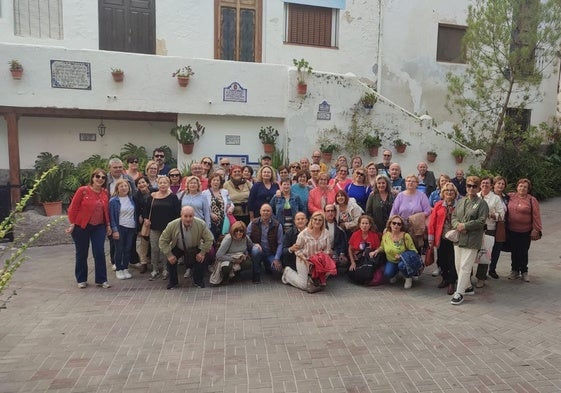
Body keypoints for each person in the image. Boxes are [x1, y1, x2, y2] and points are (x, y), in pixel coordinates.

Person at [66, 168, 112, 289]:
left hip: (99, 226)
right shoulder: (83, 191)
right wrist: (72, 223)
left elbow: (106, 210)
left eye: (103, 177)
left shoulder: (105, 193)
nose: (100, 179)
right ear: (92, 177)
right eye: (97, 176)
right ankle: (81, 279)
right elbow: (73, 208)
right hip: (82, 226)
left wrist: (108, 225)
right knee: (82, 253)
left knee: (99, 252)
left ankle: (101, 280)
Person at [450, 176, 488, 305]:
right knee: (458, 265)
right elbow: (454, 216)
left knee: (465, 267)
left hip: (472, 239)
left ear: (478, 188)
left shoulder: (482, 203)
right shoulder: (461, 201)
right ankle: (467, 287)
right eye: (469, 185)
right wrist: (457, 225)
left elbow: (481, 220)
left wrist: (466, 226)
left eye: (474, 186)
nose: (471, 188)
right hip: (459, 238)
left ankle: (459, 293)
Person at [159, 206, 214, 289]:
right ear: (181, 215)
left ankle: (198, 281)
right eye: (185, 216)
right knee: (170, 261)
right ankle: (173, 282)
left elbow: (209, 239)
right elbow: (162, 240)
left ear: (194, 215)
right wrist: (169, 254)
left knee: (201, 259)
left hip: (194, 247)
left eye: (190, 216)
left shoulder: (201, 224)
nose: (188, 219)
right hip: (178, 247)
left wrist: (202, 253)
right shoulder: (172, 225)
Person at [281, 211, 334, 292]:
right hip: (303, 259)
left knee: (323, 281)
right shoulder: (303, 234)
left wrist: (322, 260)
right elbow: (297, 250)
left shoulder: (326, 232)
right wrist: (306, 260)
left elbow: (327, 249)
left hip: (319, 260)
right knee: (303, 285)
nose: (317, 222)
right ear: (311, 220)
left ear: (323, 222)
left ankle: (313, 278)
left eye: (320, 220)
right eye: (315, 219)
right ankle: (288, 273)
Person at [145, 176, 181, 281]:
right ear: (158, 184)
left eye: (165, 183)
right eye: (160, 183)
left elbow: (177, 213)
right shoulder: (152, 197)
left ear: (168, 184)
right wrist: (146, 219)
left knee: (166, 249)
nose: (163, 184)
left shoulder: (173, 197)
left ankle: (166, 269)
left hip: (168, 228)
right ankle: (155, 269)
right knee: (155, 248)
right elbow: (146, 211)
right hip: (154, 227)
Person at [506, 178, 542, 282]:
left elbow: (536, 216)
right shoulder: (510, 196)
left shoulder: (531, 200)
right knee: (514, 251)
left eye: (525, 187)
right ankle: (514, 271)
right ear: (517, 187)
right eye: (521, 186)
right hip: (511, 229)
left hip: (525, 231)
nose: (522, 188)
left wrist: (536, 229)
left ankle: (524, 272)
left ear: (528, 189)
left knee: (523, 251)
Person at [427, 182, 459, 295]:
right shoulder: (438, 205)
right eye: (447, 191)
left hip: (455, 238)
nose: (449, 192)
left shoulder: (460, 205)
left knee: (453, 261)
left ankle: (451, 282)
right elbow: (432, 222)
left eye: (451, 191)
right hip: (441, 237)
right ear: (443, 193)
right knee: (442, 260)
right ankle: (445, 278)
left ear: (455, 193)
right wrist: (430, 238)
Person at [474, 176, 505, 288]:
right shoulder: (475, 196)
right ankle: (467, 277)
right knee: (471, 253)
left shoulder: (495, 198)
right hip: (474, 229)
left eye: (487, 183)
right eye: (483, 183)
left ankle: (481, 278)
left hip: (488, 229)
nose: (485, 185)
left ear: (491, 186)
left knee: (484, 254)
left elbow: (502, 215)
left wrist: (491, 215)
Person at [372, 215, 418, 289]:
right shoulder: (386, 235)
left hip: (404, 261)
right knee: (388, 274)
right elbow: (382, 247)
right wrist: (376, 251)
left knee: (401, 265)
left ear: (401, 226)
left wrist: (402, 256)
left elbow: (413, 251)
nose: (396, 225)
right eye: (394, 223)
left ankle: (408, 277)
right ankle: (397, 273)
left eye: (399, 224)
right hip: (391, 261)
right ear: (390, 224)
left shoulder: (405, 236)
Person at [390, 174, 432, 251]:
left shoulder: (422, 195)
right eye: (408, 181)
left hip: (416, 229)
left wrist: (415, 217)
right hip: (401, 227)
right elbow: (394, 212)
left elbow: (428, 211)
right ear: (405, 182)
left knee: (415, 250)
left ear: (417, 183)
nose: (410, 183)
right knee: (401, 249)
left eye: (413, 181)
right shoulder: (400, 196)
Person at [247, 204, 284, 284]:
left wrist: (277, 258)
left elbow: (280, 243)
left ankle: (268, 266)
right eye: (264, 210)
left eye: (268, 211)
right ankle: (256, 274)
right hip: (258, 251)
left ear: (271, 212)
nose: (265, 212)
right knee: (255, 251)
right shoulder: (253, 223)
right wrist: (253, 244)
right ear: (260, 212)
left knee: (276, 269)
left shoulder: (277, 225)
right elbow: (246, 237)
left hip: (271, 252)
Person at [109, 179, 137, 280]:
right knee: (119, 249)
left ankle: (125, 267)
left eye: (126, 186)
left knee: (127, 249)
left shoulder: (131, 199)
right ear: (117, 188)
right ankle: (119, 269)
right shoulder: (113, 201)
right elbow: (111, 217)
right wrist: (114, 230)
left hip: (131, 227)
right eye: (122, 186)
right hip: (120, 227)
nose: (124, 188)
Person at [212, 221, 253, 285]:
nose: (238, 233)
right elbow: (218, 255)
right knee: (226, 267)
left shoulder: (246, 238)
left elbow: (251, 246)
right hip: (227, 257)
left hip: (239, 257)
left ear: (244, 231)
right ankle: (225, 277)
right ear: (233, 231)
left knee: (248, 263)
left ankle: (237, 274)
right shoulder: (229, 238)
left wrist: (255, 246)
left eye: (241, 231)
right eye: (236, 230)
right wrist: (234, 260)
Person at [488, 176, 509, 279]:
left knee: (497, 247)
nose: (500, 185)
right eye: (498, 183)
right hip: (490, 225)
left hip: (501, 226)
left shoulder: (506, 197)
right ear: (494, 185)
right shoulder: (489, 196)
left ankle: (492, 269)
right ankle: (483, 270)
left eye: (502, 184)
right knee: (487, 248)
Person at [202, 173, 233, 240]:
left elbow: (230, 203)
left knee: (223, 239)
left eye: (218, 180)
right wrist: (210, 214)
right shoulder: (204, 193)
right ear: (210, 182)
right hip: (211, 221)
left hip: (223, 220)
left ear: (220, 182)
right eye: (214, 180)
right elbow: (203, 207)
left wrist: (230, 208)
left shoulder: (225, 192)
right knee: (212, 239)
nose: (216, 182)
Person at [133, 176, 151, 273]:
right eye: (139, 183)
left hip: (155, 219)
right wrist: (141, 216)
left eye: (143, 182)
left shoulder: (154, 191)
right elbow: (136, 210)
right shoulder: (136, 196)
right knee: (144, 242)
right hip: (144, 221)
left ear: (147, 183)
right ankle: (143, 263)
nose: (141, 184)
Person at [324, 204, 348, 270]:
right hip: (323, 251)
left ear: (335, 213)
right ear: (324, 213)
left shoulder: (339, 228)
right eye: (328, 211)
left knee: (344, 261)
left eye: (332, 211)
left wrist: (341, 254)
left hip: (335, 251)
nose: (330, 213)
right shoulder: (320, 226)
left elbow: (342, 243)